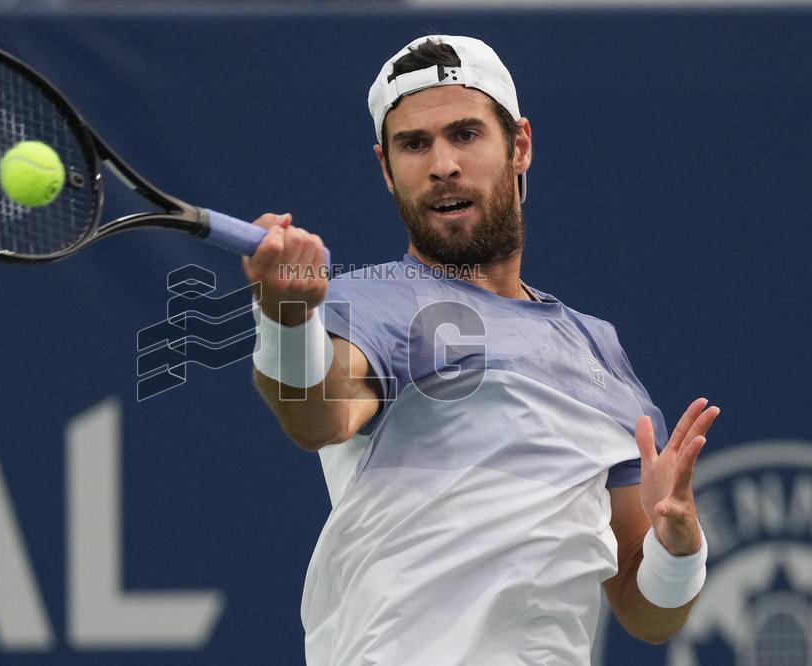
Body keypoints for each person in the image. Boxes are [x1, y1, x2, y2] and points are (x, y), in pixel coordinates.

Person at [242, 35, 720, 665]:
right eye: (414, 144)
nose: (442, 164)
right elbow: (319, 416)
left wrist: (677, 548)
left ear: (519, 145)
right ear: (387, 169)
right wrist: (285, 317)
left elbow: (644, 611)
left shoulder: (599, 353)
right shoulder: (379, 303)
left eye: (465, 134)